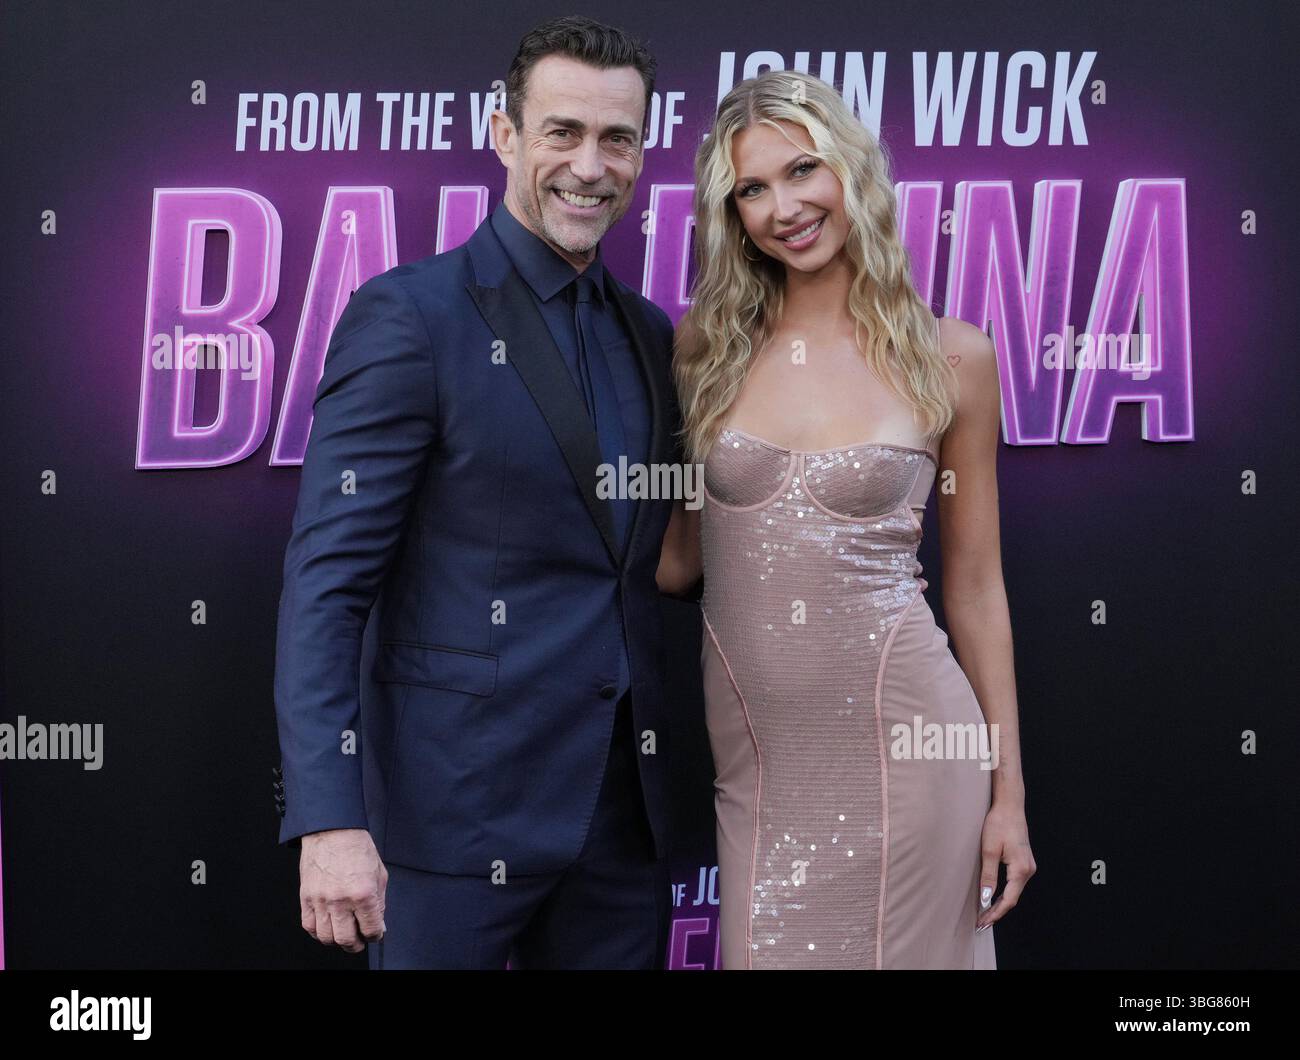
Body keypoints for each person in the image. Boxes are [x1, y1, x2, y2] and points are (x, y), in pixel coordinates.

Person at [273, 16, 682, 969]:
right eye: (562, 132)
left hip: (620, 832)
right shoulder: (410, 315)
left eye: (618, 138)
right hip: (448, 822)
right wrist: (329, 818)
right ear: (505, 135)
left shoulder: (651, 334)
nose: (591, 166)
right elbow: (327, 585)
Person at [657, 70, 1036, 968]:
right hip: (762, 770)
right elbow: (677, 562)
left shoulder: (951, 357)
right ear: (731, 214)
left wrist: (1009, 797)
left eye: (803, 170)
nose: (784, 208)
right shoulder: (704, 350)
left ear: (851, 171)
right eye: (752, 189)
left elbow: (976, 591)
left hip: (913, 751)